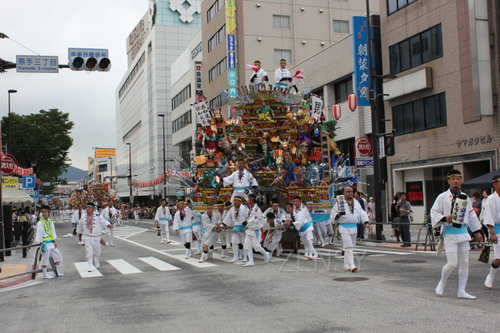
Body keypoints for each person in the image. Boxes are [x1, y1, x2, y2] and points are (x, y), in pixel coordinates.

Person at [430, 169, 483, 299]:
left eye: (458, 178)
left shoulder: (465, 196)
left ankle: (461, 290)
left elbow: (471, 214)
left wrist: (477, 231)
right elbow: (434, 212)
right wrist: (444, 218)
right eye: (453, 178)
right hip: (450, 233)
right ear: (448, 181)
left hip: (464, 232)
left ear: (461, 180)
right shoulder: (442, 197)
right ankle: (442, 282)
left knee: (465, 263)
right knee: (452, 263)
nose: (456, 181)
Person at [330, 186, 369, 272]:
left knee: (351, 247)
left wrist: (366, 222)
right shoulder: (339, 202)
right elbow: (333, 214)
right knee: (349, 247)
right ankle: (352, 265)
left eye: (351, 191)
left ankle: (346, 265)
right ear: (344, 193)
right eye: (347, 191)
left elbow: (362, 213)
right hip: (344, 227)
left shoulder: (356, 202)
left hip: (354, 226)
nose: (350, 193)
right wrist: (338, 215)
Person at [77, 203, 113, 272]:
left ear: (93, 209)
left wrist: (108, 225)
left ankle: (96, 260)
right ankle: (90, 266)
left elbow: (104, 221)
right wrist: (80, 236)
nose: (88, 209)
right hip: (87, 237)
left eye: (90, 207)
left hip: (96, 237)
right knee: (89, 252)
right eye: (87, 207)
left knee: (97, 252)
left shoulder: (98, 216)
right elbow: (80, 226)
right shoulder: (83, 217)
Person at [34, 205, 63, 279]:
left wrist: (54, 241)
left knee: (58, 256)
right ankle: (45, 274)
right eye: (42, 212)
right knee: (45, 259)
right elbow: (39, 233)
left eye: (45, 212)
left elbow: (52, 232)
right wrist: (41, 243)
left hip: (51, 243)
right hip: (45, 243)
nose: (44, 214)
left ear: (49, 212)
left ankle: (56, 271)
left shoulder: (50, 221)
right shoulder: (40, 222)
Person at [242, 193, 270, 267]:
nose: (248, 200)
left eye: (249, 199)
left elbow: (256, 219)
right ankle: (251, 261)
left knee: (257, 247)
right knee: (247, 245)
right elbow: (249, 217)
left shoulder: (257, 209)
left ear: (252, 199)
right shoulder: (250, 208)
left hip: (255, 230)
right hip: (249, 229)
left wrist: (247, 222)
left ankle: (266, 253)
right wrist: (246, 221)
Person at [483, 175, 500, 288]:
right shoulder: (491, 199)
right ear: (494, 184)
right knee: (498, 259)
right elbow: (488, 217)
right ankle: (491, 275)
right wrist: (492, 233)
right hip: (496, 229)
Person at [223, 196, 249, 263]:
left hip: (243, 228)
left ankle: (245, 257)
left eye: (236, 201)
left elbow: (248, 217)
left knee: (244, 243)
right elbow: (227, 218)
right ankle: (235, 256)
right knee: (234, 242)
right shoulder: (232, 209)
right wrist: (223, 225)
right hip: (235, 228)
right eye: (234, 200)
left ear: (240, 201)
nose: (234, 202)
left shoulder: (245, 208)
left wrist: (245, 224)